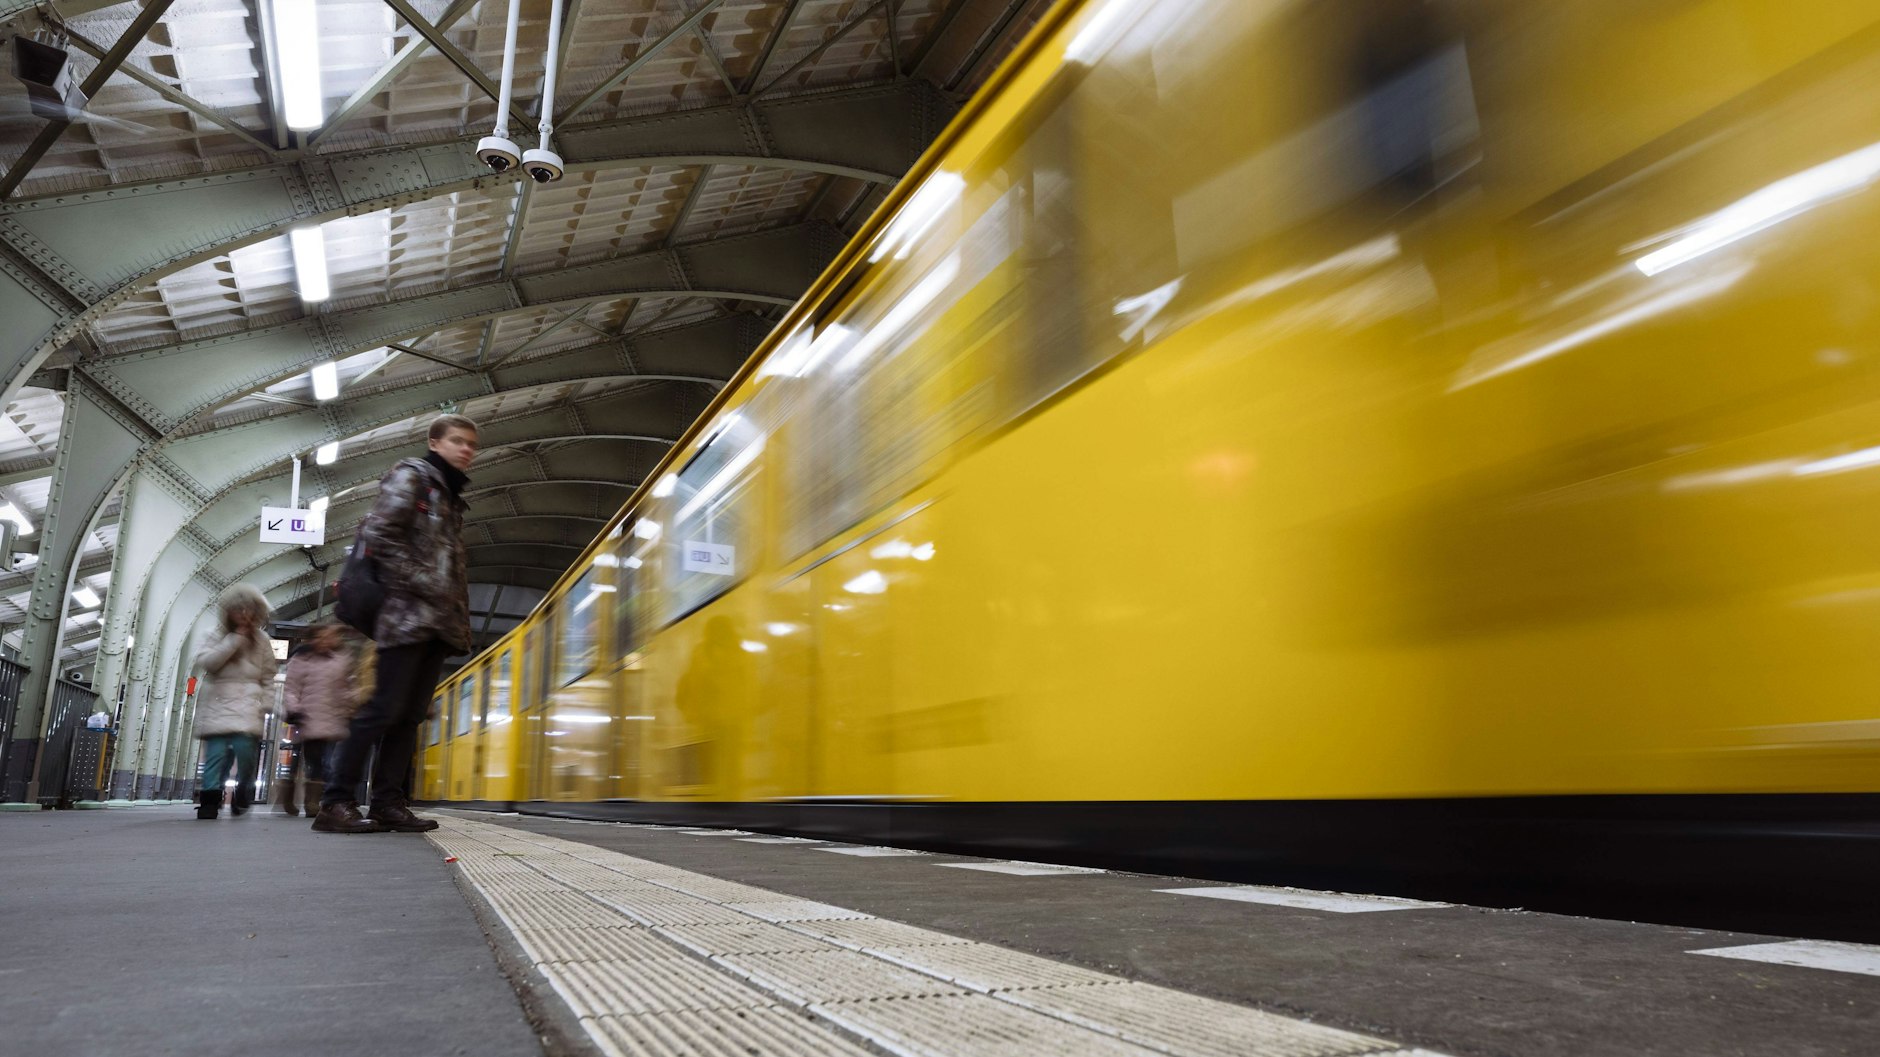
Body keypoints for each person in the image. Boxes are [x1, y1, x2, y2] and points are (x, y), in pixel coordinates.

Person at [313, 414, 477, 834]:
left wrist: (454, 617)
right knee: (380, 711)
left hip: (435, 623)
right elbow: (382, 534)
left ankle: (388, 803)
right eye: (457, 441)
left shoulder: (451, 498)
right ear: (434, 442)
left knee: (407, 718)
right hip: (406, 617)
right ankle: (335, 803)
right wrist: (428, 584)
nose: (465, 450)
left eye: (471, 445)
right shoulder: (412, 477)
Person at [192, 584, 277, 820]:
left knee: (246, 754)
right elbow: (208, 662)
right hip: (219, 700)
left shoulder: (262, 641)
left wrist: (267, 703)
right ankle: (210, 799)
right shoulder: (214, 634)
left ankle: (244, 788)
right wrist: (235, 639)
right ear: (228, 611)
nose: (244, 615)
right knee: (216, 755)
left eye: (249, 610)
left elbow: (268, 675)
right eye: (238, 609)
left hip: (250, 705)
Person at [275, 623, 361, 817]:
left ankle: (312, 802)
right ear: (313, 639)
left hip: (329, 720)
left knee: (319, 762)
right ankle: (289, 797)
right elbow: (291, 688)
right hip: (304, 718)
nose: (327, 641)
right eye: (322, 637)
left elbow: (347, 687)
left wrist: (352, 705)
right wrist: (294, 708)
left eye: (330, 637)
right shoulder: (301, 659)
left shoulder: (340, 660)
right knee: (296, 760)